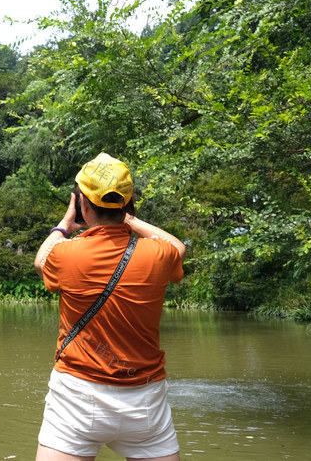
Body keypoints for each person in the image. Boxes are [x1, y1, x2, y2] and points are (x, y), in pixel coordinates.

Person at [33, 152, 185, 461]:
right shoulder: (157, 255)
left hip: (75, 397)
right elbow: (177, 246)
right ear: (129, 204)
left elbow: (41, 260)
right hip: (145, 400)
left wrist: (64, 224)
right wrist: (128, 219)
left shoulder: (66, 255)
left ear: (83, 205)